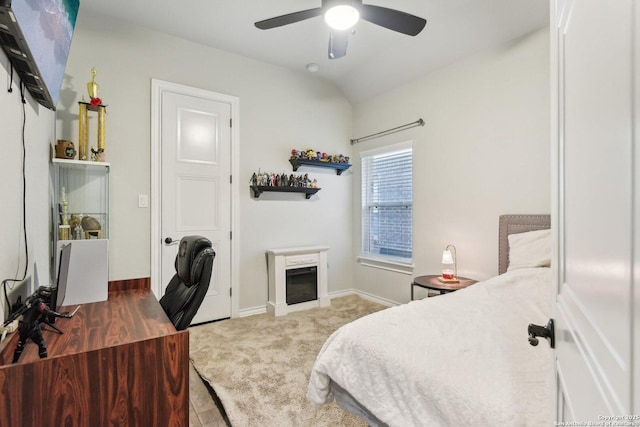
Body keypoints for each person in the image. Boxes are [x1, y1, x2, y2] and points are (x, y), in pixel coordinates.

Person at [12, 298, 71, 363]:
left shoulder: (29, 301)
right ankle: (44, 363)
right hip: (32, 327)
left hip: (23, 326)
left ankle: (14, 362)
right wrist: (64, 316)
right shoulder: (39, 304)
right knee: (42, 345)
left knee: (20, 344)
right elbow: (49, 312)